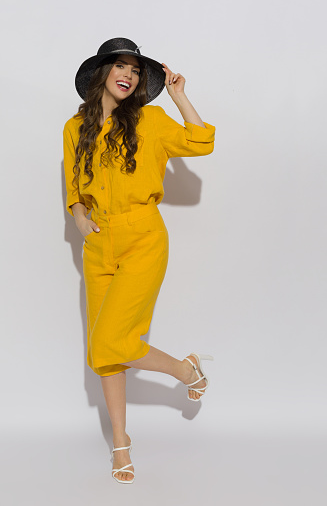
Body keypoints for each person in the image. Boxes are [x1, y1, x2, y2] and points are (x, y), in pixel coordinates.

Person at [63, 37, 216, 484]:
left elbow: (201, 141)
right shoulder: (76, 127)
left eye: (135, 69)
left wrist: (179, 94)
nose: (128, 75)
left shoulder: (150, 119)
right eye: (120, 67)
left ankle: (185, 370)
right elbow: (73, 182)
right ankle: (121, 444)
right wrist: (78, 216)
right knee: (105, 355)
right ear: (102, 73)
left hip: (143, 237)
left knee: (110, 341)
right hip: (98, 243)